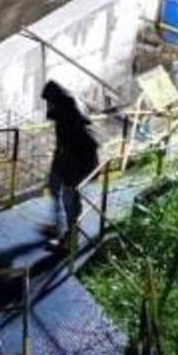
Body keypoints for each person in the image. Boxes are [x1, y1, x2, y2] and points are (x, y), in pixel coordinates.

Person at [41, 80, 100, 249]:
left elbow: (81, 146)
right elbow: (65, 142)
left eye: (49, 102)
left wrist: (68, 172)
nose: (48, 106)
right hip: (65, 158)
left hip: (76, 163)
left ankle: (71, 239)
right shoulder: (65, 112)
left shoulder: (71, 117)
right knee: (54, 186)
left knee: (71, 200)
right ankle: (57, 226)